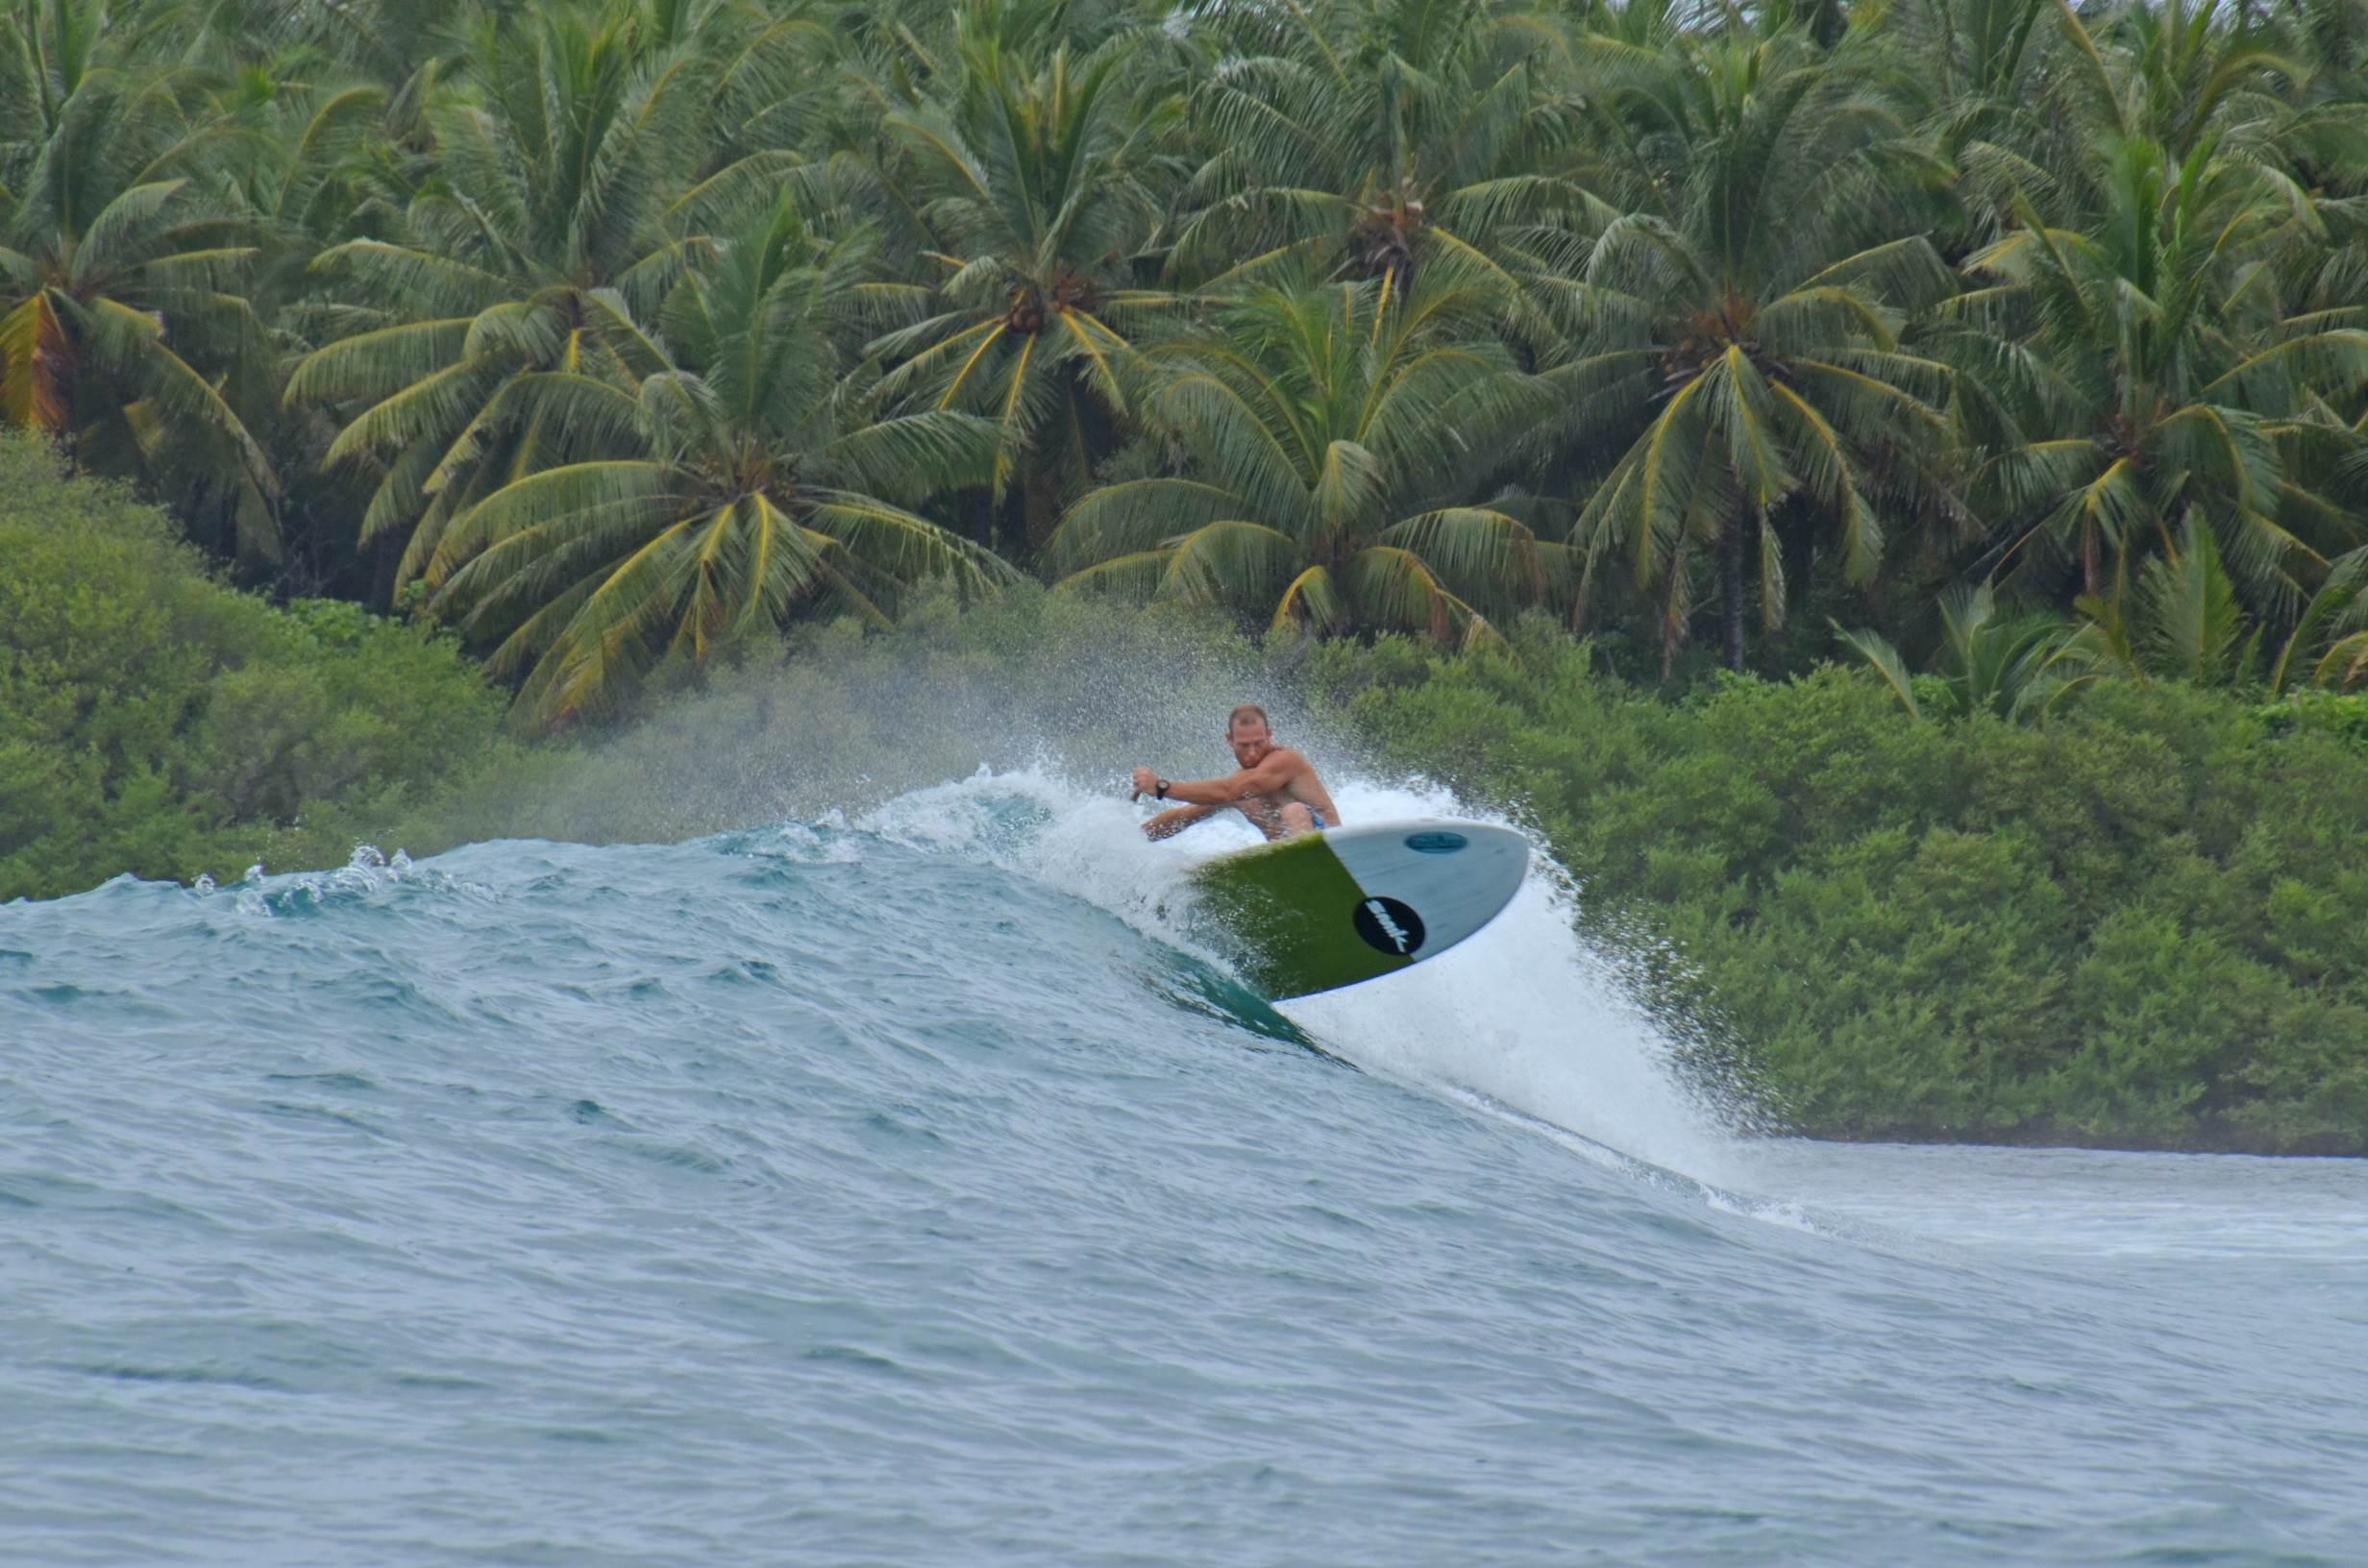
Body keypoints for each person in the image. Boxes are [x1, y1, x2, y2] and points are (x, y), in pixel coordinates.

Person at [1131, 704, 1344, 842]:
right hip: (1291, 866)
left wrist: (1161, 787)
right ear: (1230, 740)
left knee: (1294, 811)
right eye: (1243, 745)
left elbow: (1228, 790)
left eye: (1258, 743)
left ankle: (1312, 870)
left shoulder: (1286, 761)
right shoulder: (1238, 791)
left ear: (1269, 736)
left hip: (1333, 849)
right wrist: (1130, 839)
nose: (1252, 753)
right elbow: (1182, 817)